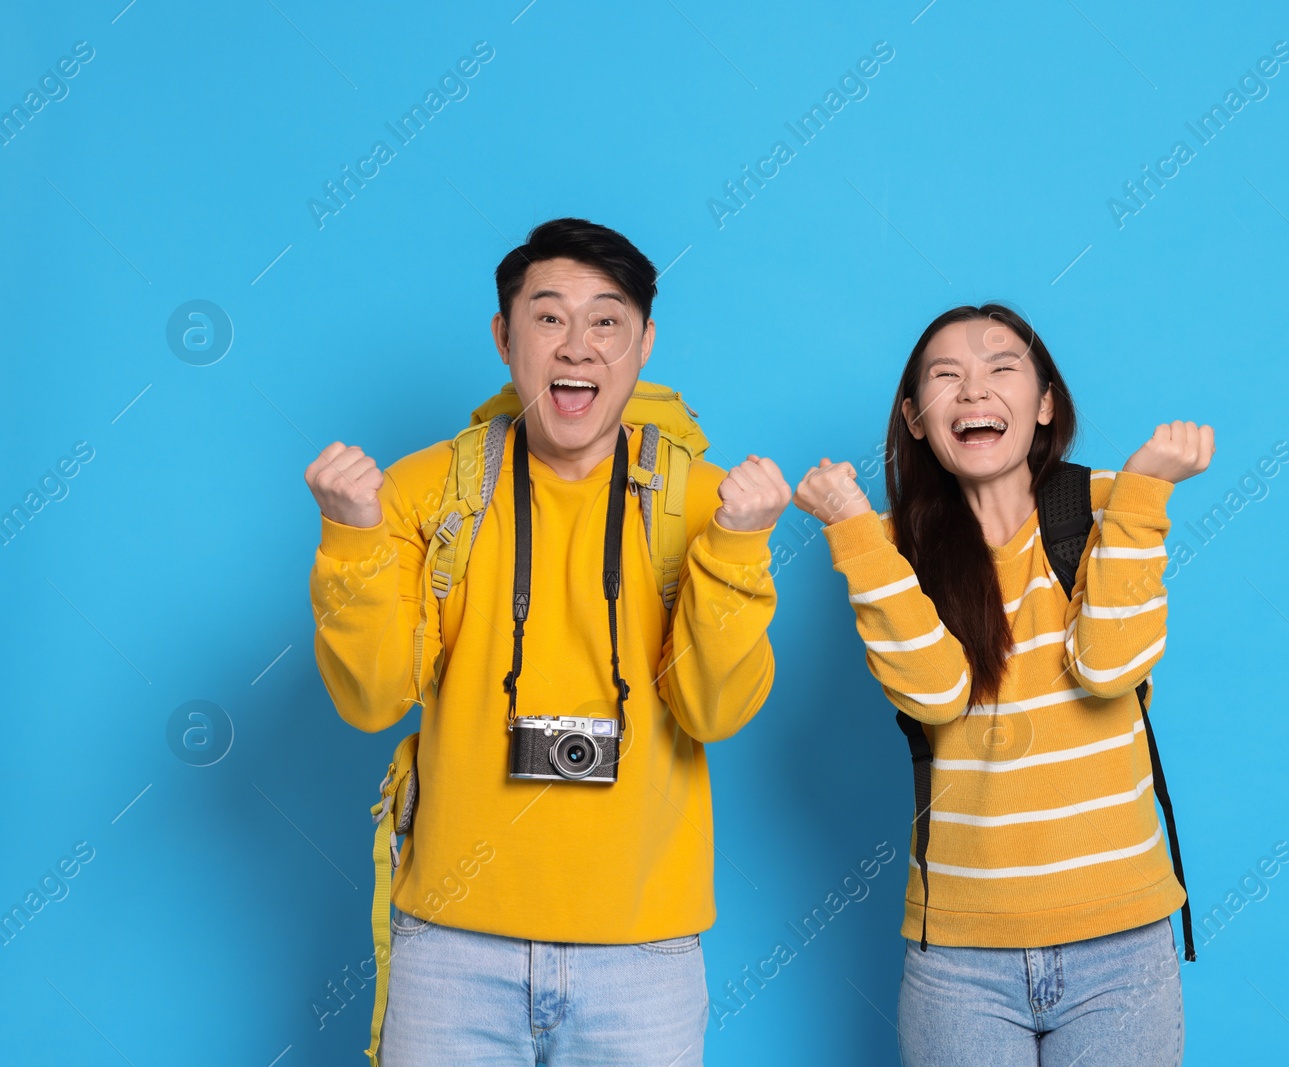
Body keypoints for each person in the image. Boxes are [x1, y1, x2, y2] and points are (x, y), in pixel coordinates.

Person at [304, 218, 791, 1066]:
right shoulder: (424, 491)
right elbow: (372, 696)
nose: (579, 346)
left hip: (644, 956)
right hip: (452, 949)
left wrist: (740, 548)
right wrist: (350, 539)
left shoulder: (705, 502)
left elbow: (714, 710)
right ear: (504, 337)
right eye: (548, 317)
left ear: (644, 343)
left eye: (607, 320)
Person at [793, 304, 1213, 1066]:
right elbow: (933, 692)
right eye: (945, 376)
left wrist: (1148, 489)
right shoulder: (889, 547)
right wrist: (853, 524)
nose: (973, 389)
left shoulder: (1110, 507)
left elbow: (1110, 665)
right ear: (917, 418)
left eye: (1001, 369)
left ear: (1045, 403)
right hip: (960, 956)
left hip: (1120, 942)